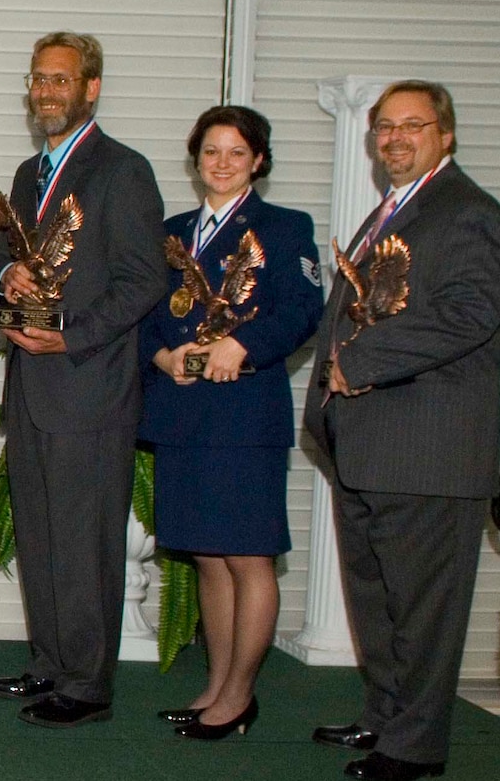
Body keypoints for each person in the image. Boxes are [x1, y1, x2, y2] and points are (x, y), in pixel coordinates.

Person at [304, 80, 500, 781]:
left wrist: (358, 361)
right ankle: (386, 716)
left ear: (445, 134)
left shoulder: (468, 213)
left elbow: (469, 314)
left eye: (412, 125)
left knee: (424, 610)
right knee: (380, 601)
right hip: (369, 446)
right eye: (384, 127)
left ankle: (415, 746)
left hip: (430, 449)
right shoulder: (390, 212)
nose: (394, 138)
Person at [0, 31, 164, 727]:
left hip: (89, 383)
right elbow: (0, 254)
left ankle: (87, 683)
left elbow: (145, 279)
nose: (46, 91)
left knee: (86, 539)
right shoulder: (32, 173)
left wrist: (72, 334)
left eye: (61, 80)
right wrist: (5, 275)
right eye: (38, 79)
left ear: (91, 88)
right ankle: (51, 660)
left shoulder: (123, 170)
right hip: (31, 382)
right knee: (41, 529)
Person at [137, 105, 321, 739]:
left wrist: (242, 347)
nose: (221, 163)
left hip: (244, 412)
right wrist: (163, 356)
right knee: (208, 558)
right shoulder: (174, 232)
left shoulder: (285, 227)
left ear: (258, 161)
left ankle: (240, 696)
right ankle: (216, 685)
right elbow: (146, 312)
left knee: (248, 557)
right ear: (196, 160)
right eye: (211, 151)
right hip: (185, 412)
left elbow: (302, 310)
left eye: (236, 153)